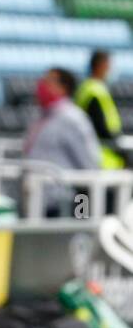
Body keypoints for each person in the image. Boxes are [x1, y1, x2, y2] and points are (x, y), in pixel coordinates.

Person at [23, 67, 103, 218]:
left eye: (48, 81)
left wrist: (82, 211)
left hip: (62, 204)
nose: (41, 85)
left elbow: (89, 164)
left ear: (63, 88)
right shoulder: (40, 116)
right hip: (37, 201)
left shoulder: (73, 119)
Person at [76, 50, 126, 171]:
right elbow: (99, 127)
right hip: (101, 158)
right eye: (109, 66)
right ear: (100, 66)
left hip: (99, 157)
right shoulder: (94, 91)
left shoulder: (88, 88)